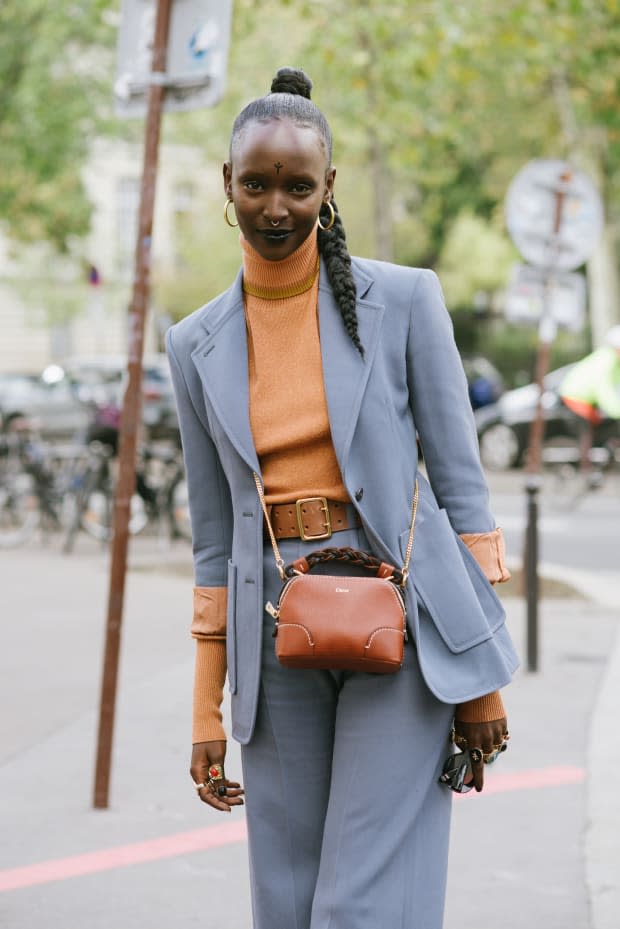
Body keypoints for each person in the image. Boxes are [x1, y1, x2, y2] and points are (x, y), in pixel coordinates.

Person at [166, 67, 518, 929]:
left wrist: (480, 682)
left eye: (297, 186)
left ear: (329, 187)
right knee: (286, 903)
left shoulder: (404, 301)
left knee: (358, 904)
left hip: (401, 617)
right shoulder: (193, 343)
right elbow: (215, 541)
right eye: (256, 184)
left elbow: (464, 500)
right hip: (272, 634)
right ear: (228, 185)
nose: (276, 207)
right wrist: (205, 707)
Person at [559, 326, 620, 476]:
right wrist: (617, 410)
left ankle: (598, 458)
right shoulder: (606, 360)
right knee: (586, 430)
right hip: (574, 396)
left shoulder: (614, 360)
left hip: (587, 399)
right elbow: (604, 389)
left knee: (601, 424)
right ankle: (585, 469)